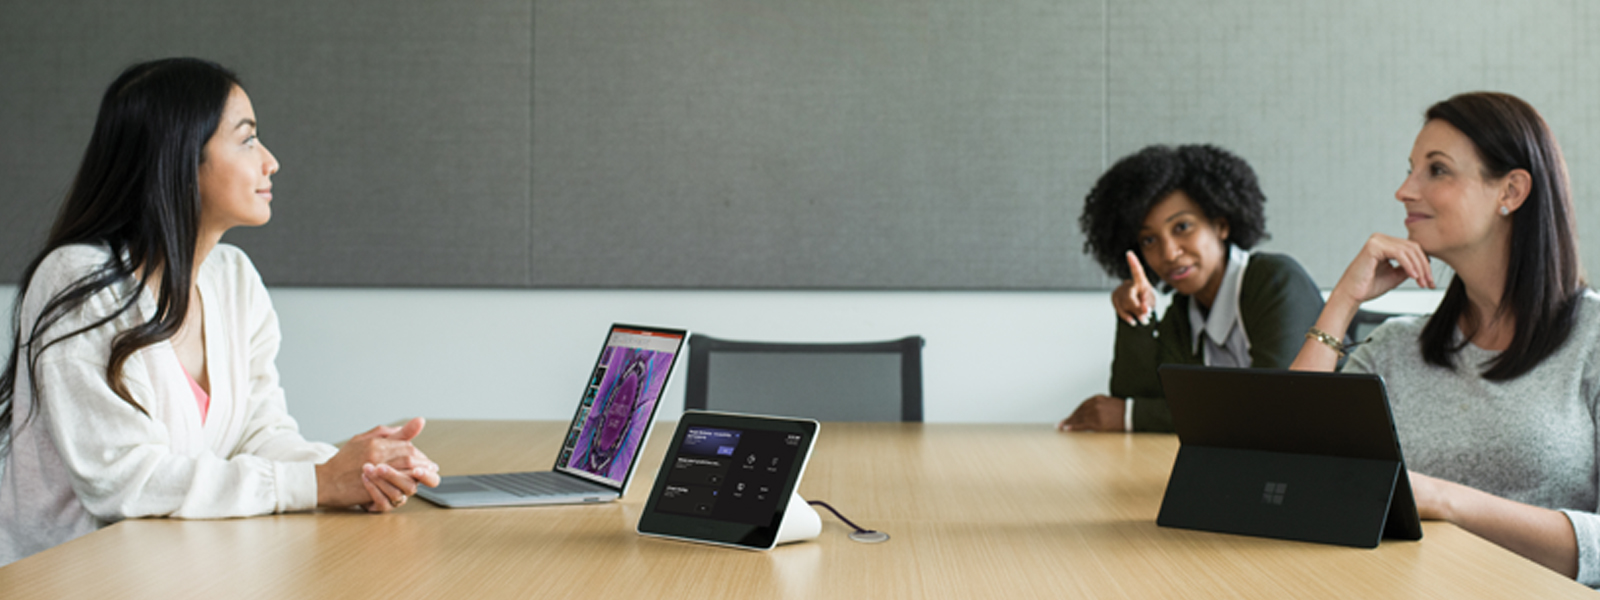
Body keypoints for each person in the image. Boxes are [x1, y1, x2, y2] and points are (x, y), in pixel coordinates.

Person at [0, 58, 441, 566]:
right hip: (72, 578)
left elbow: (261, 434)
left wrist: (360, 470)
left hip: (179, 569)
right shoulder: (79, 280)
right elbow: (124, 482)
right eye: (248, 139)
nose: (270, 161)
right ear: (181, 157)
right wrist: (318, 481)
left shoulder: (232, 277)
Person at [1290, 92, 1599, 586]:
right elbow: (1285, 463)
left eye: (1437, 170)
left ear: (1511, 192)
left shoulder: (1594, 341)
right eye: (1411, 169)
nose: (1404, 190)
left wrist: (1444, 501)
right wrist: (1344, 300)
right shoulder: (1395, 348)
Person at [1059, 145, 1324, 433]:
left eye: (1182, 226)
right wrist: (1138, 319)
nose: (1169, 253)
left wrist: (1133, 416)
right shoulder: (1183, 312)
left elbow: (1277, 405)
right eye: (1149, 241)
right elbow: (1142, 399)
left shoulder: (1276, 282)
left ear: (1221, 225)